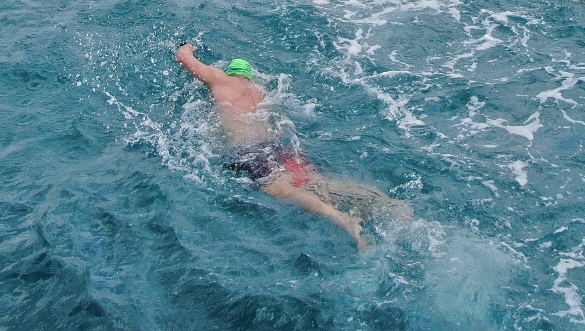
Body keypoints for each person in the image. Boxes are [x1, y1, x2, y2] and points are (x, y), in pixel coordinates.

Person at [175, 43, 410, 249]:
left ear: (231, 72)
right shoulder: (260, 92)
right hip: (276, 147)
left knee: (283, 191)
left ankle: (341, 219)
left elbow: (185, 59)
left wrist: (187, 47)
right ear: (249, 76)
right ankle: (379, 202)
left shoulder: (221, 80)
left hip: (248, 151)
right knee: (315, 182)